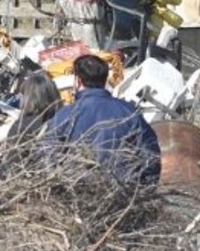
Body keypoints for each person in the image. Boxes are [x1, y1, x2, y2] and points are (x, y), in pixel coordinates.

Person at [44, 54, 161, 189]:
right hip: (123, 193)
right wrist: (141, 188)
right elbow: (151, 155)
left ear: (78, 81)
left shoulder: (64, 116)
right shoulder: (129, 112)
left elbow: (47, 157)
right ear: (105, 80)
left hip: (77, 193)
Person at [10, 70, 63, 143]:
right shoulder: (62, 118)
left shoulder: (21, 126)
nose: (19, 97)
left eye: (22, 94)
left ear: (29, 97)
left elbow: (10, 148)